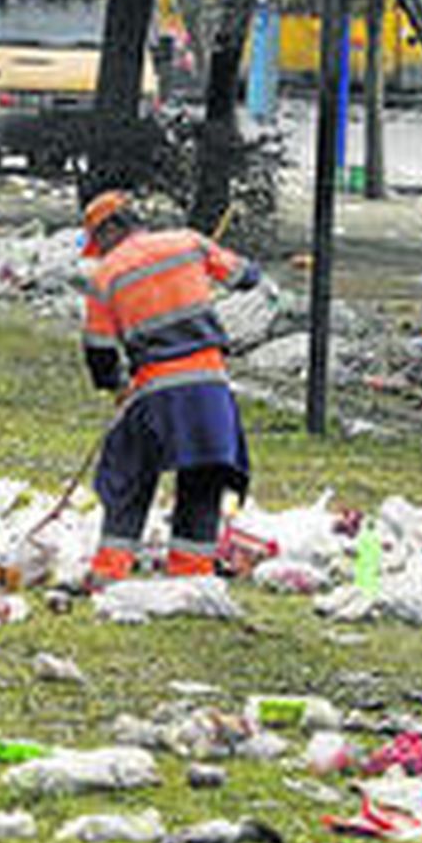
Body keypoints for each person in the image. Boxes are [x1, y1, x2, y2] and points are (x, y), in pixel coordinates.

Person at [75, 190, 263, 591]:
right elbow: (247, 277)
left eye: (98, 240)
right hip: (209, 386)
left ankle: (110, 570)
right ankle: (190, 572)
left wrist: (117, 386)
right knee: (204, 474)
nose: (99, 250)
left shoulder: (105, 277)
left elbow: (99, 351)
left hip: (154, 388)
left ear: (110, 230)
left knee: (127, 475)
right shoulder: (188, 242)